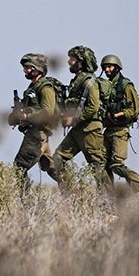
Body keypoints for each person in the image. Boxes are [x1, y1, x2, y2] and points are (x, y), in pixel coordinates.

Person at [52, 46, 106, 188]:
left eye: (72, 59)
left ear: (80, 62)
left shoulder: (89, 81)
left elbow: (93, 106)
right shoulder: (76, 81)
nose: (69, 62)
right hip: (77, 129)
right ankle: (69, 192)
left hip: (90, 130)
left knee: (97, 166)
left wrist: (74, 119)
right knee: (57, 158)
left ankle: (108, 198)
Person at [7, 53, 63, 191]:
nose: (24, 70)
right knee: (52, 168)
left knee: (19, 167)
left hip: (38, 134)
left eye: (28, 67)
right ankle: (75, 193)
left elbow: (47, 111)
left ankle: (26, 199)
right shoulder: (32, 88)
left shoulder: (45, 88)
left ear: (37, 69)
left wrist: (26, 115)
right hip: (38, 134)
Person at [100, 55, 139, 194]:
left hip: (120, 130)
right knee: (101, 164)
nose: (107, 70)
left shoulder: (126, 85)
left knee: (117, 165)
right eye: (104, 67)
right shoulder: (107, 86)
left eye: (109, 67)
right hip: (108, 130)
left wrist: (117, 115)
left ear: (117, 68)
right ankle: (109, 196)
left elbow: (134, 109)